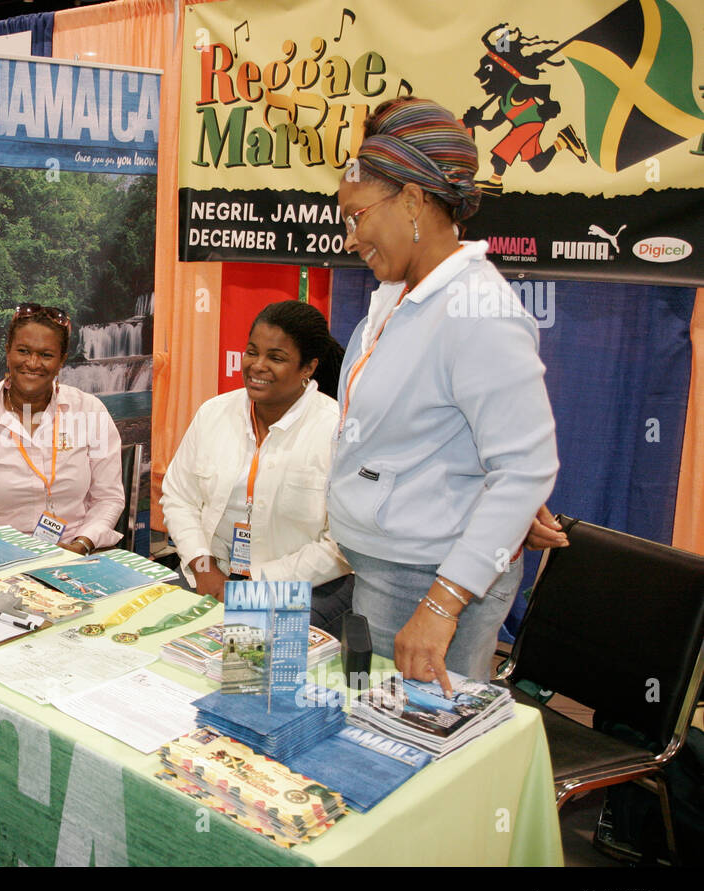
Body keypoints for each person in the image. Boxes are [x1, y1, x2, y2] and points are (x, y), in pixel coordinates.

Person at [330, 97, 559, 691]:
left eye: (356, 217)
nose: (350, 240)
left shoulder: (478, 311)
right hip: (383, 567)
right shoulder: (393, 296)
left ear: (412, 201)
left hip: (428, 582)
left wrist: (441, 605)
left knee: (417, 755)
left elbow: (526, 466)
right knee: (375, 737)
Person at [160, 300, 353, 633]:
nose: (257, 366)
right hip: (209, 573)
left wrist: (252, 587)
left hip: (298, 589)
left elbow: (341, 545)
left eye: (276, 358)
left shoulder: (336, 430)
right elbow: (179, 498)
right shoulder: (214, 413)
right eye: (252, 352)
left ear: (308, 368)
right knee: (150, 639)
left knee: (245, 665)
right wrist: (203, 566)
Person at [0, 302, 124, 555]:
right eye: (23, 351)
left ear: (61, 361)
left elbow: (108, 498)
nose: (33, 363)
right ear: (7, 352)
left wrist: (83, 543)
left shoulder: (90, 412)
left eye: (46, 355)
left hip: (78, 551)